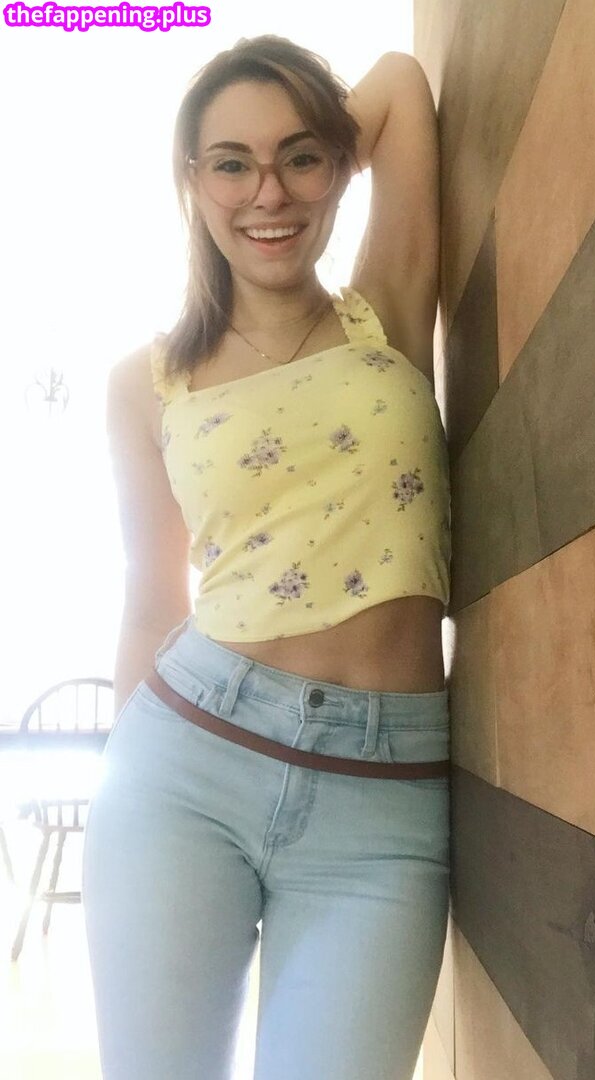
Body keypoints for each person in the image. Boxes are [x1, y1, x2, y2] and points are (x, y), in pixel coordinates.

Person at [82, 34, 452, 1080]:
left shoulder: (384, 310)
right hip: (185, 768)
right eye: (230, 164)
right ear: (190, 181)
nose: (267, 193)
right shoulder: (148, 382)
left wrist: (301, 143)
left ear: (337, 161)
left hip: (382, 797)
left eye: (300, 155)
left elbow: (399, 84)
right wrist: (122, 768)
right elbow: (150, 597)